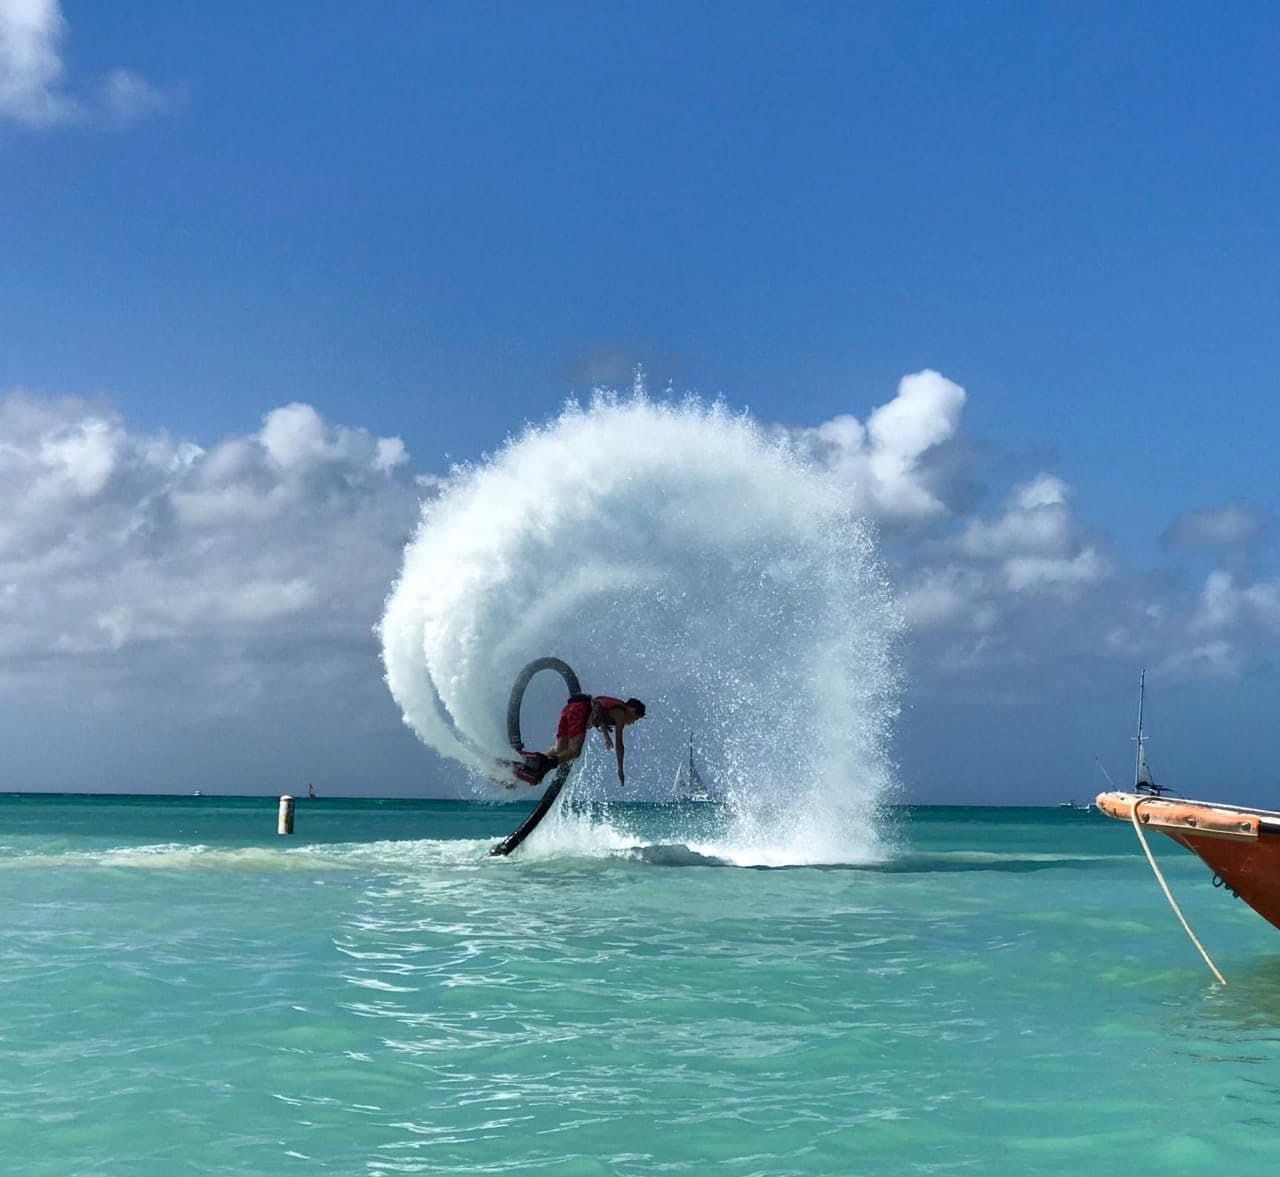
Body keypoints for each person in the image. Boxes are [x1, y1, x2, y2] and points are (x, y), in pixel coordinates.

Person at [514, 694, 646, 788]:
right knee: (574, 751)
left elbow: (601, 712)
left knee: (559, 749)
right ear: (632, 710)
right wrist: (621, 770)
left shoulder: (615, 709)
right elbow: (619, 745)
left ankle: (523, 764)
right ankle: (545, 765)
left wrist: (606, 735)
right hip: (580, 709)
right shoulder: (622, 714)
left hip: (569, 708)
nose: (633, 722)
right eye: (635, 718)